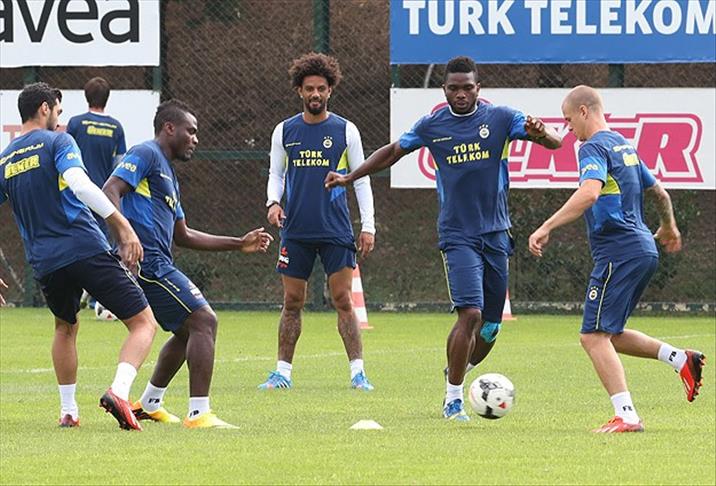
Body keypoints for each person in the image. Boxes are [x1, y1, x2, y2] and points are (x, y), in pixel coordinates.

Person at [325, 56, 562, 420]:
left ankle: (457, 369)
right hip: (457, 235)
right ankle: (453, 398)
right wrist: (349, 177)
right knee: (470, 313)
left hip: (497, 234)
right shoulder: (433, 125)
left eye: (467, 87)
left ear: (478, 88)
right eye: (454, 88)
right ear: (444, 90)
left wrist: (541, 133)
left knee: (491, 327)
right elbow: (393, 152)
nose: (461, 94)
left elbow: (555, 143)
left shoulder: (501, 118)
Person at [528, 85, 705, 433]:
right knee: (611, 333)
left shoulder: (592, 147)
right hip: (642, 249)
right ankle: (680, 359)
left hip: (619, 251)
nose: (568, 129)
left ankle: (627, 415)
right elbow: (660, 192)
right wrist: (669, 226)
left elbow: (589, 193)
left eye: (568, 120)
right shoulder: (625, 146)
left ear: (583, 111)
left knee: (592, 337)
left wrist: (546, 226)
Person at [103, 99, 273, 429]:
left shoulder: (169, 176)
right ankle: (199, 413)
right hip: (147, 263)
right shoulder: (146, 153)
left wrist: (238, 243)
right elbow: (110, 189)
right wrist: (125, 237)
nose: (195, 139)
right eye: (190, 131)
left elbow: (184, 235)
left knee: (187, 331)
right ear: (169, 128)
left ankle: (149, 403)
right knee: (204, 321)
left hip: (159, 261)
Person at [0, 82, 157, 431]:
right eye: (57, 110)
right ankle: (119, 392)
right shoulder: (58, 141)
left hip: (44, 262)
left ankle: (69, 411)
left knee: (65, 326)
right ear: (44, 108)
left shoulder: (5, 159)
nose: (60, 118)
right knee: (143, 323)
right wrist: (123, 226)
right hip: (84, 248)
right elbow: (82, 185)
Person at [259, 52, 376, 391]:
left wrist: (368, 225)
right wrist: (273, 202)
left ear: (330, 90)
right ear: (299, 90)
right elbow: (276, 173)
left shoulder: (345, 130)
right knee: (292, 302)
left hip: (336, 230)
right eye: (309, 88)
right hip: (295, 230)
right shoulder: (284, 130)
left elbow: (362, 179)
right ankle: (282, 373)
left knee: (343, 300)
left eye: (321, 88)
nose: (315, 94)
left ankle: (358, 374)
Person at [67, 77, 127, 238]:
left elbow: (65, 157)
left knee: (77, 238)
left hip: (76, 193)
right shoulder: (116, 127)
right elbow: (119, 165)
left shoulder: (76, 123)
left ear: (86, 96)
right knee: (100, 240)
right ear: (107, 98)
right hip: (102, 195)